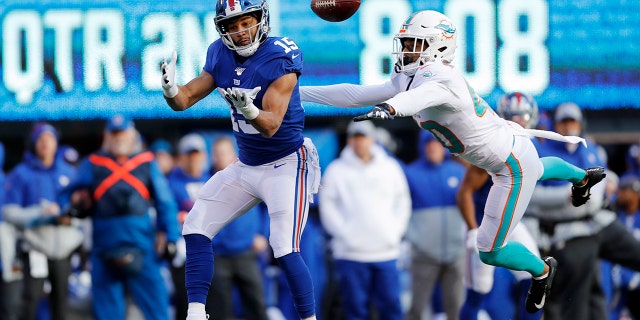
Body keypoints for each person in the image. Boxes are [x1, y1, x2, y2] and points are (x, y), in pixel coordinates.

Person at [300, 10, 606, 313]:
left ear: (438, 46)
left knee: (489, 250)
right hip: (505, 149)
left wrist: (390, 109)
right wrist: (300, 93)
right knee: (538, 169)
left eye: (415, 44)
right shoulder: (409, 77)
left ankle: (541, 270)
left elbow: (419, 99)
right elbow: (356, 94)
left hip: (511, 165)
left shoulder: (440, 77)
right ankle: (581, 178)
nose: (406, 50)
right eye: (406, 43)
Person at [159, 0, 321, 319]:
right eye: (231, 26)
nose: (241, 32)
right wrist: (168, 89)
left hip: (288, 162)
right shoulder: (219, 52)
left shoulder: (280, 55)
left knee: (284, 245)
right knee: (195, 224)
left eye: (245, 22)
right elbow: (185, 99)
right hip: (247, 165)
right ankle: (195, 312)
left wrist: (250, 109)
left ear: (261, 19)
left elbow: (272, 125)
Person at [59, 115, 179, 320]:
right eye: (113, 133)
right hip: (104, 248)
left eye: (122, 133)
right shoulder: (93, 163)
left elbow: (165, 202)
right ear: (106, 136)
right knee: (107, 312)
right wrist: (72, 205)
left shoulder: (146, 162)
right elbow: (67, 196)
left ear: (132, 135)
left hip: (142, 246)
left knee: (158, 309)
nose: (118, 138)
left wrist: (171, 237)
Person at [457, 92, 542, 320]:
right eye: (513, 116)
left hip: (511, 222)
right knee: (478, 291)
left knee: (536, 277)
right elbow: (464, 192)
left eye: (522, 116)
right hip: (486, 224)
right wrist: (473, 228)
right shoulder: (496, 146)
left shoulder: (528, 145)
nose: (519, 121)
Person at [319, 121, 411, 320]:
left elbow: (403, 202)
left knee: (391, 307)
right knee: (354, 309)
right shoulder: (336, 170)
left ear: (372, 139)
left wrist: (394, 233)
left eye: (363, 137)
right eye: (355, 137)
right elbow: (327, 207)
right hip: (350, 254)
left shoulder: (390, 167)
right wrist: (345, 234)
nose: (359, 142)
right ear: (350, 140)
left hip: (385, 251)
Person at [2, 123, 78, 320]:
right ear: (34, 143)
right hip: (34, 245)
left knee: (61, 300)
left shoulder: (68, 173)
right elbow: (9, 212)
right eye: (41, 139)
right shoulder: (21, 173)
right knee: (30, 299)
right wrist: (40, 213)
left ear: (56, 143)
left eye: (50, 139)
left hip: (63, 246)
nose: (46, 144)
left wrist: (68, 215)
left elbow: (80, 207)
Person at [404, 130, 466, 320]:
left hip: (456, 253)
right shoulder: (410, 173)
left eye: (436, 143)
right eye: (428, 143)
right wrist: (414, 240)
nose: (433, 147)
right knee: (417, 308)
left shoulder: (459, 172)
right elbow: (401, 209)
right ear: (422, 147)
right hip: (424, 255)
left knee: (456, 308)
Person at [205, 136, 270, 320]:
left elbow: (269, 207)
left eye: (224, 153)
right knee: (220, 310)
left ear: (233, 154)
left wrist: (262, 235)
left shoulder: (250, 177)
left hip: (246, 253)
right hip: (218, 256)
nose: (220, 157)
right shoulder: (205, 181)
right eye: (216, 154)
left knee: (257, 306)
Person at [166, 133, 210, 320]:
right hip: (184, 251)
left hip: (212, 250)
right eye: (189, 154)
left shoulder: (214, 180)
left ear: (203, 156)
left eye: (196, 154)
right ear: (181, 157)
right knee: (187, 305)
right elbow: (170, 213)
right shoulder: (172, 183)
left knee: (214, 303)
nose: (193, 159)